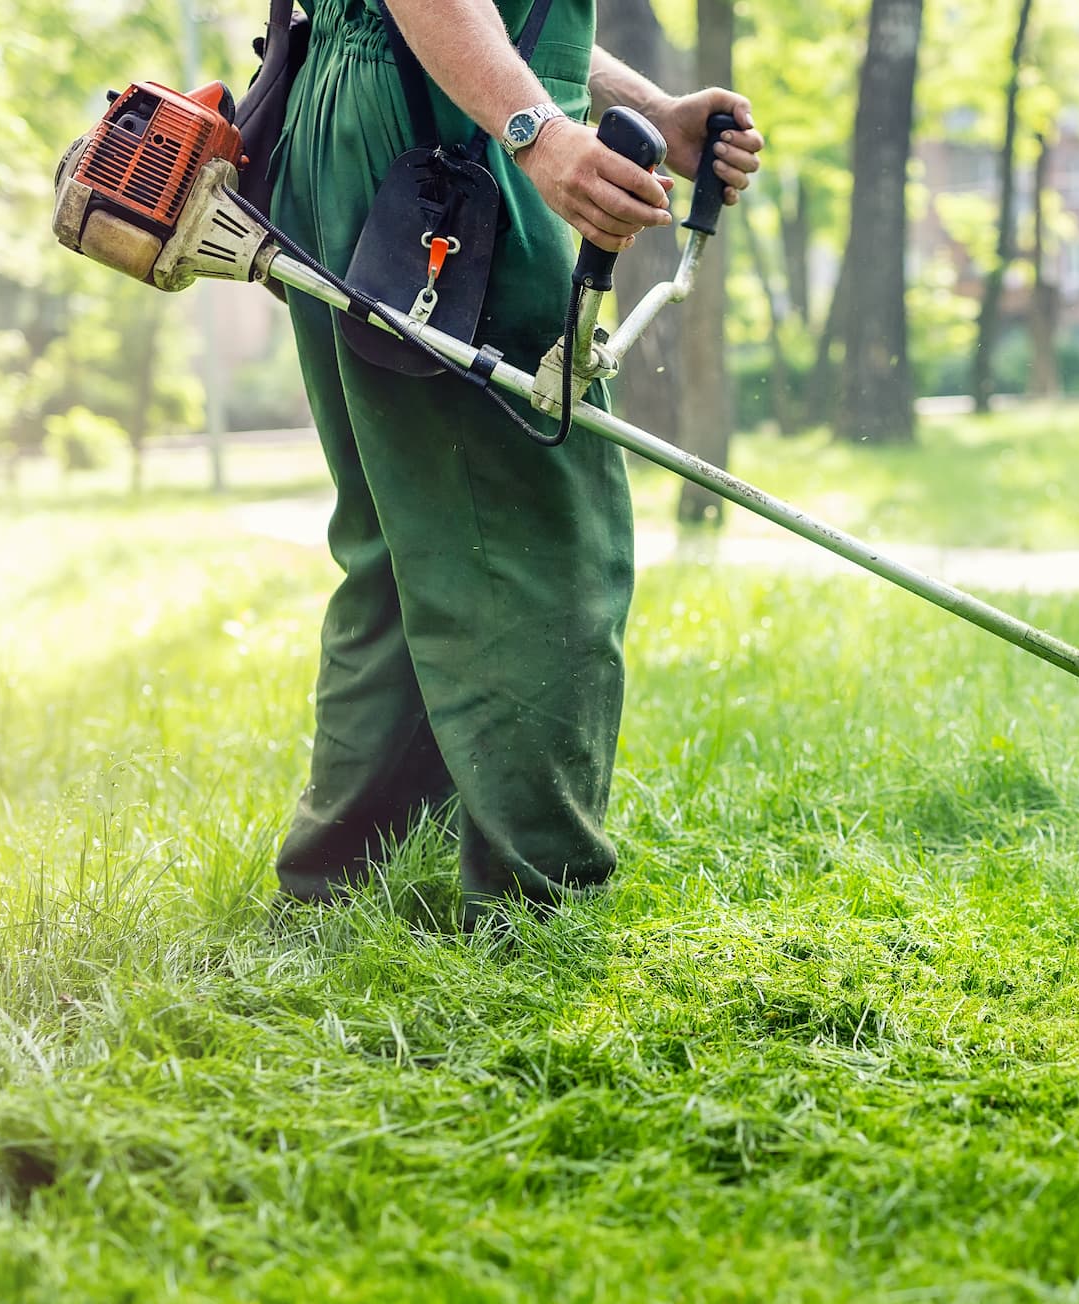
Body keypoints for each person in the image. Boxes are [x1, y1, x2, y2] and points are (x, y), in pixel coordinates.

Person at [269, 0, 763, 926]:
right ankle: (536, 904)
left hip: (383, 116)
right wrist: (539, 133)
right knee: (539, 534)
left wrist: (650, 110)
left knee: (408, 536)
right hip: (446, 139)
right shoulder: (497, 126)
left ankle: (342, 884)